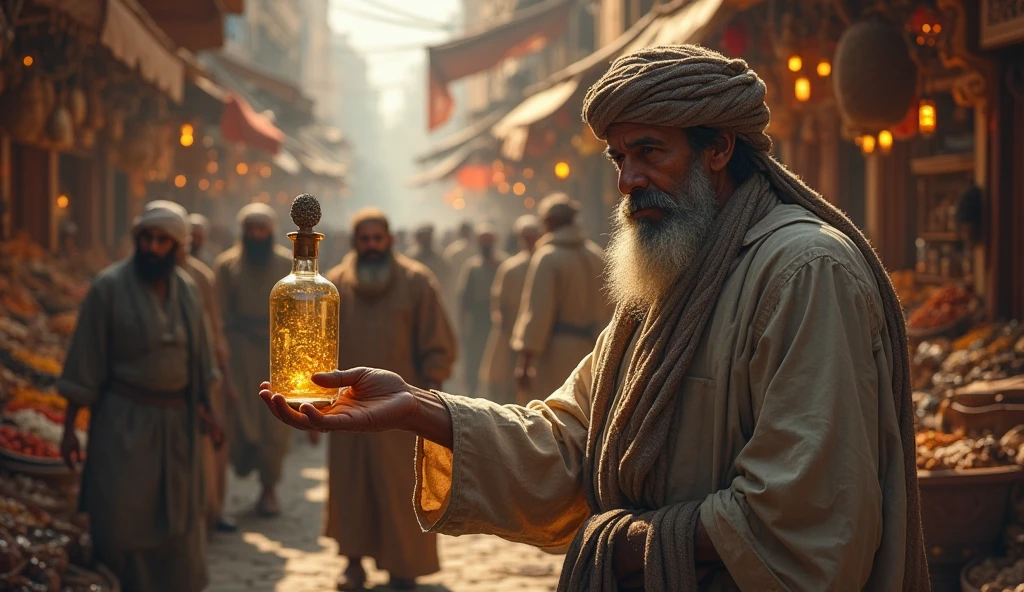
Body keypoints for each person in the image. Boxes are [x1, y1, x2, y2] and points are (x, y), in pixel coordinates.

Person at [260, 45, 928, 591]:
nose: (627, 180)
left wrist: (624, 544)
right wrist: (415, 408)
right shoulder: (672, 276)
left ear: (719, 149)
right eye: (619, 158)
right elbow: (569, 443)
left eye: (649, 152)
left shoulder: (804, 272)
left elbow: (805, 517)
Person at [58, 201, 218, 592]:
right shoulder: (107, 288)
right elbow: (86, 360)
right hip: (122, 423)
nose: (152, 246)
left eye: (162, 240)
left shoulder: (188, 291)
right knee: (122, 519)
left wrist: (211, 413)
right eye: (146, 237)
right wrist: (68, 428)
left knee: (179, 523)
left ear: (178, 247)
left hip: (178, 425)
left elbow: (201, 357)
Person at [323, 208, 456, 590]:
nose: (371, 245)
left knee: (402, 489)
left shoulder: (417, 282)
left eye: (376, 238)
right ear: (354, 243)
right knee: (351, 487)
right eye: (363, 239)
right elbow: (322, 347)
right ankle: (352, 562)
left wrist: (432, 391)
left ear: (390, 239)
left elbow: (438, 342)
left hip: (404, 409)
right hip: (348, 407)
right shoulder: (335, 285)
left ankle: (403, 565)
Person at [215, 203, 293, 517]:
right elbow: (218, 314)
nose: (257, 234)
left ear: (271, 231)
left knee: (275, 422)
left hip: (278, 353)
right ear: (243, 231)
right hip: (241, 356)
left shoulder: (287, 264)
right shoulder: (226, 265)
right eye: (251, 228)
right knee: (242, 417)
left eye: (262, 228)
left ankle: (269, 488)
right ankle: (242, 469)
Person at [512, 193, 612, 402]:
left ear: (548, 221)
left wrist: (525, 362)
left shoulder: (547, 257)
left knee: (552, 419)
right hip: (593, 352)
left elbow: (538, 313)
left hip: (555, 356)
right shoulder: (596, 255)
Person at [181, 212, 239, 535]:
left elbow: (215, 329)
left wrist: (224, 377)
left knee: (211, 445)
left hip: (205, 375)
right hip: (159, 383)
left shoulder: (203, 275)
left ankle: (213, 511)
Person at [480, 215, 541, 404]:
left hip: (539, 338)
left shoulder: (545, 262)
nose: (530, 240)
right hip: (510, 337)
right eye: (526, 236)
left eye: (533, 236)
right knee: (507, 388)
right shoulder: (510, 268)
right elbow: (498, 304)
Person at [456, 224, 508, 397]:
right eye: (483, 242)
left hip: (500, 320)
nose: (486, 246)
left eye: (489, 242)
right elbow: (464, 298)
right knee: (474, 358)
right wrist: (462, 325)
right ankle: (472, 393)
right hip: (478, 319)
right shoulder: (472, 267)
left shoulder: (504, 265)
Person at [406, 222, 450, 288]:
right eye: (423, 238)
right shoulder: (411, 257)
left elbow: (446, 277)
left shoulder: (439, 257)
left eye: (427, 238)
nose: (425, 240)